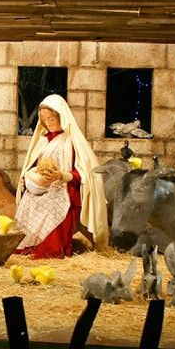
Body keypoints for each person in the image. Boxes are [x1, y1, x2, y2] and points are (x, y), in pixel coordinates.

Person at [15, 94, 108, 258]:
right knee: (27, 202)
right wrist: (28, 175)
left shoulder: (71, 141)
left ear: (61, 117)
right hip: (43, 187)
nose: (48, 123)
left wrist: (61, 176)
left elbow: (83, 173)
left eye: (52, 118)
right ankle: (26, 245)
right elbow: (36, 164)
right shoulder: (44, 140)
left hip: (62, 189)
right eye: (45, 119)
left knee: (52, 207)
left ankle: (48, 248)